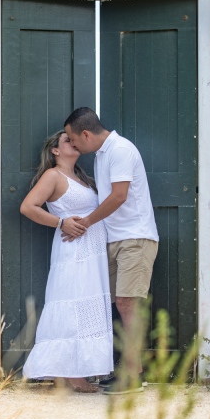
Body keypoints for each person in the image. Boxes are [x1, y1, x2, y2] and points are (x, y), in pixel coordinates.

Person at [64, 107, 159, 395]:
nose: (74, 146)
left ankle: (133, 375)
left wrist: (87, 223)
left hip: (135, 237)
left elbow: (119, 195)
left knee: (128, 304)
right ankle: (128, 371)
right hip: (115, 238)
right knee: (120, 304)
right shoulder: (102, 155)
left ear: (86, 133)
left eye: (73, 139)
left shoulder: (120, 150)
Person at [20, 130, 114, 393]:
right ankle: (73, 374)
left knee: (88, 306)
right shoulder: (53, 176)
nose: (73, 142)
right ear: (55, 151)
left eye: (74, 139)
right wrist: (61, 222)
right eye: (66, 140)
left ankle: (77, 368)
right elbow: (28, 207)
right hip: (73, 252)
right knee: (72, 304)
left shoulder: (82, 178)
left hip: (93, 252)